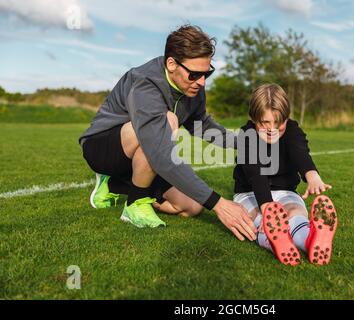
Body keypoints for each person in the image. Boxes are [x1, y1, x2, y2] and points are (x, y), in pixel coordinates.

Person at [79, 24, 256, 241]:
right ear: (171, 64)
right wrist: (220, 204)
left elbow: (201, 125)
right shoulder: (146, 83)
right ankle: (135, 203)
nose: (201, 82)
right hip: (103, 148)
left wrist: (246, 142)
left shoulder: (193, 88)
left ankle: (114, 184)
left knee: (192, 207)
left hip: (143, 155)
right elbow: (161, 153)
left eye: (206, 73)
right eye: (194, 74)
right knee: (168, 121)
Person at [233, 84, 338, 265]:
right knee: (256, 217)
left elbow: (300, 152)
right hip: (250, 193)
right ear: (253, 118)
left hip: (285, 191)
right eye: (265, 123)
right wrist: (266, 206)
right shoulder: (246, 135)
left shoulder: (292, 130)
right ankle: (274, 241)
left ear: (287, 118)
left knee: (294, 212)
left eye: (278, 123)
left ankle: (310, 241)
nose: (272, 129)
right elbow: (255, 173)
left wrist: (312, 175)